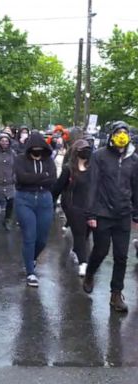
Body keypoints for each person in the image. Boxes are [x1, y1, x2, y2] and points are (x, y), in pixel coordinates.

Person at [83, 121, 138, 312]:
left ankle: (116, 294)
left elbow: (136, 186)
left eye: (125, 132)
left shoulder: (133, 159)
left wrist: (136, 212)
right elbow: (92, 185)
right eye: (118, 132)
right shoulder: (100, 156)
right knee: (101, 250)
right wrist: (90, 213)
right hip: (103, 213)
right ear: (112, 136)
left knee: (121, 256)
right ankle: (90, 272)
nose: (122, 136)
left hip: (123, 214)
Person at [14, 132, 57, 287]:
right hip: (24, 199)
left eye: (40, 148)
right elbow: (21, 178)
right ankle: (30, 272)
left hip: (45, 199)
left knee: (42, 238)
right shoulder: (20, 159)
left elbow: (53, 178)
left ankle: (31, 258)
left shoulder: (48, 161)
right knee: (29, 235)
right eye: (34, 148)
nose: (37, 150)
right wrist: (42, 176)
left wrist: (33, 177)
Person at [53, 139, 92, 277]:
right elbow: (57, 188)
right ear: (76, 152)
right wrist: (50, 203)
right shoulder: (68, 169)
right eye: (83, 149)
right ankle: (83, 263)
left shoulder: (93, 168)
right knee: (80, 233)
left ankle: (77, 250)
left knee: (86, 233)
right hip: (72, 205)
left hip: (89, 206)